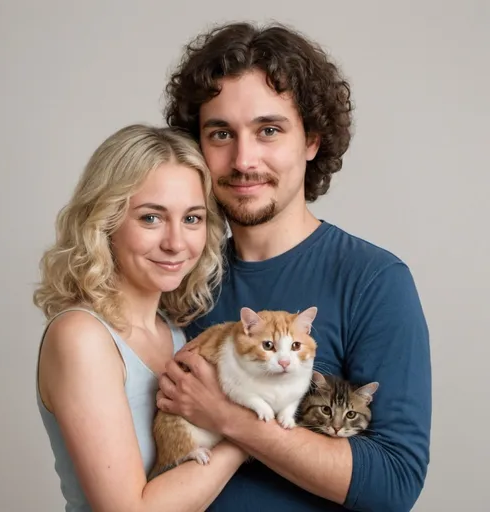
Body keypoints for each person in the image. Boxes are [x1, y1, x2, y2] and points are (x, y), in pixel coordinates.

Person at [155, 21, 432, 512]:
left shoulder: (373, 281)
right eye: (221, 133)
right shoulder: (173, 274)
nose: (244, 160)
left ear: (311, 141)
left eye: (269, 130)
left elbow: (393, 484)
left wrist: (231, 419)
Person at [33, 124, 248, 512]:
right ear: (106, 221)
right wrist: (245, 435)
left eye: (192, 219)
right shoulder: (81, 336)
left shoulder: (176, 331)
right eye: (151, 218)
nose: (175, 242)